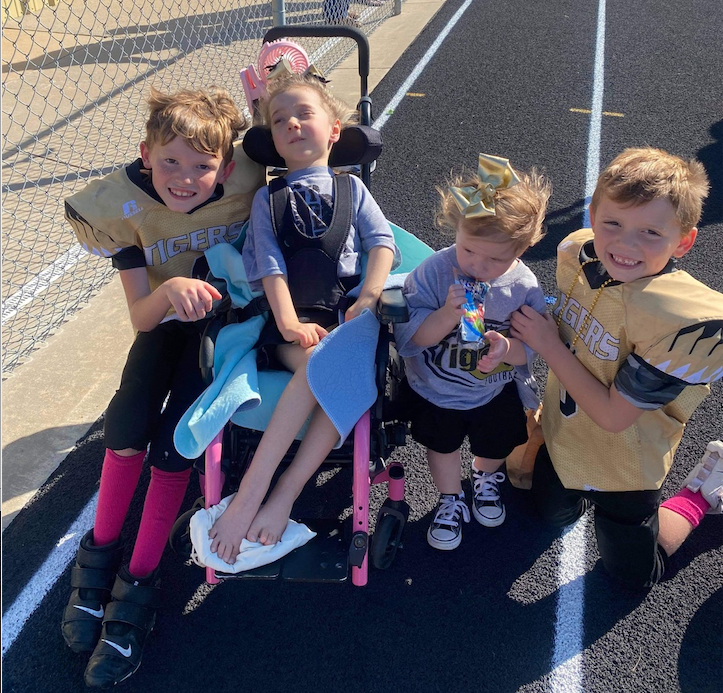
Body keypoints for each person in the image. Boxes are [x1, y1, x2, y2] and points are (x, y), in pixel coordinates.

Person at [61, 87, 264, 687]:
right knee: (125, 428)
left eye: (202, 166)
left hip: (226, 330)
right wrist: (168, 291)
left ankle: (140, 580)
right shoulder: (124, 210)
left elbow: (301, 142)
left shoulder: (247, 182)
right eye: (169, 161)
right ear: (143, 154)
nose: (184, 178)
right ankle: (97, 559)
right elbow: (141, 319)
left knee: (177, 444)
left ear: (226, 169)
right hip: (165, 322)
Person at [510, 147, 723, 590]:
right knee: (546, 513)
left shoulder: (681, 320)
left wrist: (546, 344)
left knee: (631, 578)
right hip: (566, 435)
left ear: (683, 241)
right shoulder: (578, 253)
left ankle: (698, 496)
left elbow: (611, 417)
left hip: (626, 463)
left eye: (650, 232)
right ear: (591, 216)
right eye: (613, 224)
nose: (626, 245)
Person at [208, 72, 398, 562]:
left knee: (338, 364)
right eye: (279, 120)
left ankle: (279, 491)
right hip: (296, 320)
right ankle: (257, 492)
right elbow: (270, 268)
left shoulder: (353, 191)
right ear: (271, 139)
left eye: (304, 114)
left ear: (333, 129)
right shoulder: (266, 201)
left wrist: (369, 297)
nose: (292, 124)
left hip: (349, 316)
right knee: (322, 365)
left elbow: (382, 244)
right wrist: (289, 322)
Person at [393, 154, 551, 550]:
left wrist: (505, 349)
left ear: (523, 248)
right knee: (441, 444)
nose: (478, 266)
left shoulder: (524, 286)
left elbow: (532, 349)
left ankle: (484, 478)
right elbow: (412, 339)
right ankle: (449, 498)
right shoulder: (434, 272)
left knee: (495, 443)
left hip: (492, 389)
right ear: (456, 232)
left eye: (497, 258)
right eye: (468, 250)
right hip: (437, 388)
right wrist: (448, 313)